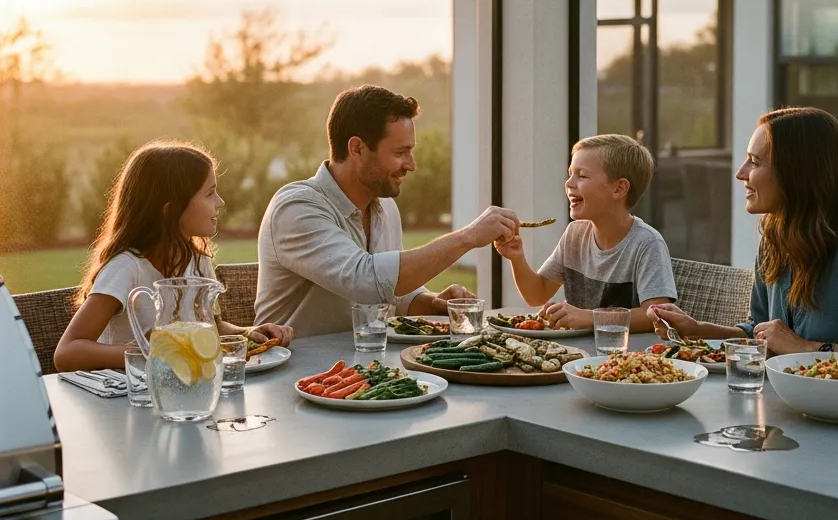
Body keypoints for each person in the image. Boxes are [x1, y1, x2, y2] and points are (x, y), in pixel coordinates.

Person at [648, 107, 838, 378]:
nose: (741, 173)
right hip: (788, 407)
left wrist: (805, 349)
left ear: (796, 173)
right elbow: (762, 334)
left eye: (755, 162)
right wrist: (699, 330)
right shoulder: (775, 239)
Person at [255, 85, 518, 337]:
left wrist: (431, 303)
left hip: (364, 371)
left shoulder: (385, 208)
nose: (411, 165)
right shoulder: (296, 208)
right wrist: (468, 237)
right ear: (357, 148)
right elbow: (366, 282)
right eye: (400, 152)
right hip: (295, 376)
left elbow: (392, 295)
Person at [54, 140, 292, 372]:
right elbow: (67, 353)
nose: (220, 202)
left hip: (187, 391)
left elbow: (214, 327)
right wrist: (155, 352)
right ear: (170, 210)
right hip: (130, 398)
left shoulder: (197, 260)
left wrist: (248, 333)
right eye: (209, 194)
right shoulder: (126, 269)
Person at [494, 134, 676, 332]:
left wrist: (590, 318)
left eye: (582, 176)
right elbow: (537, 295)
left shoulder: (646, 244)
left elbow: (657, 315)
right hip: (579, 353)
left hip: (627, 357)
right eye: (570, 174)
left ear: (619, 188)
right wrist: (517, 258)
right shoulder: (575, 234)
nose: (569, 183)